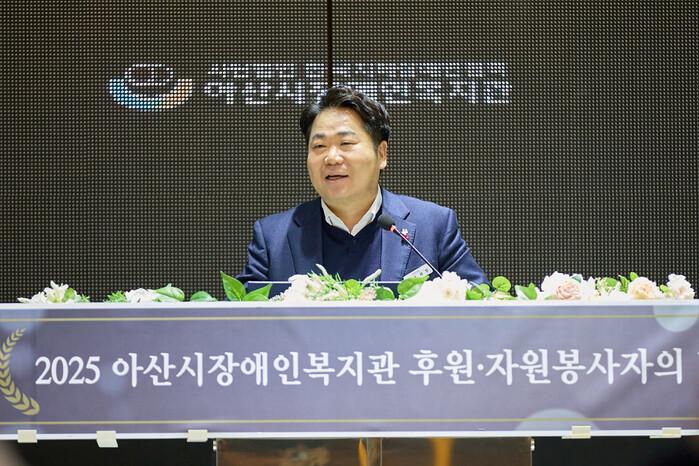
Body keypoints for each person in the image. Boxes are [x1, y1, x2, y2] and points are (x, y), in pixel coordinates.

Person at [237, 86, 487, 284]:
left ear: (382, 153)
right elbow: (238, 321)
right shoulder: (273, 236)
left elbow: (480, 306)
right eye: (319, 146)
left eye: (346, 144)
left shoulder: (432, 226)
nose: (332, 158)